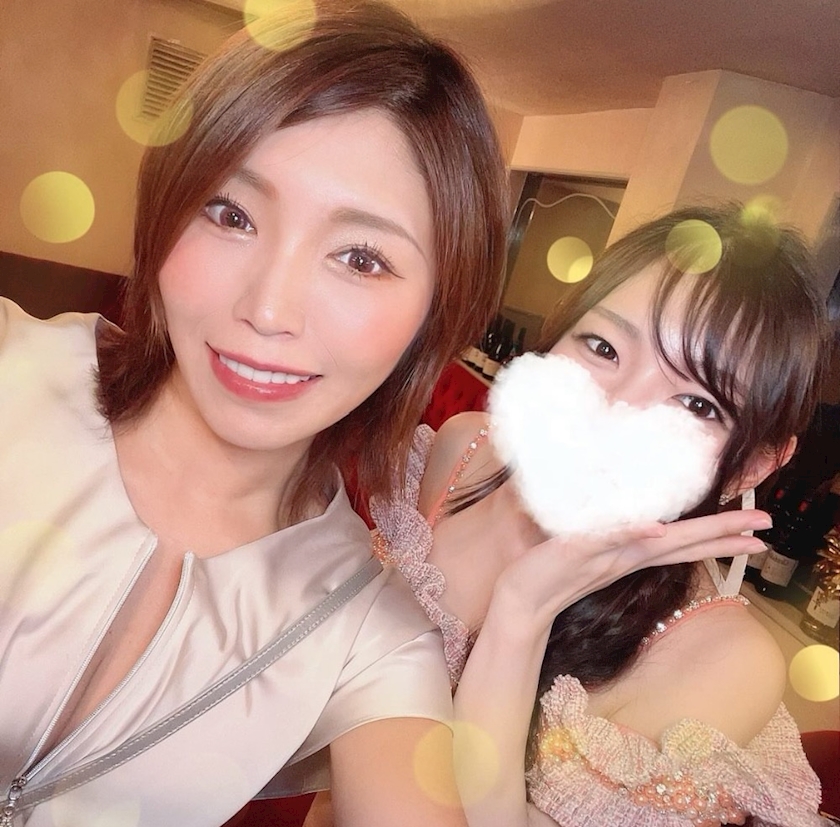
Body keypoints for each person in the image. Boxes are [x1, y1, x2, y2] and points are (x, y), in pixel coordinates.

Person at [0, 2, 509, 825]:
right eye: (230, 213)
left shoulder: (366, 631)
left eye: (361, 258)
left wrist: (525, 610)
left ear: (434, 313)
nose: (269, 309)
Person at [370, 204, 829, 826]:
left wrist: (521, 614)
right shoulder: (464, 449)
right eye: (603, 346)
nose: (610, 413)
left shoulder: (725, 662)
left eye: (697, 403)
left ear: (751, 467)